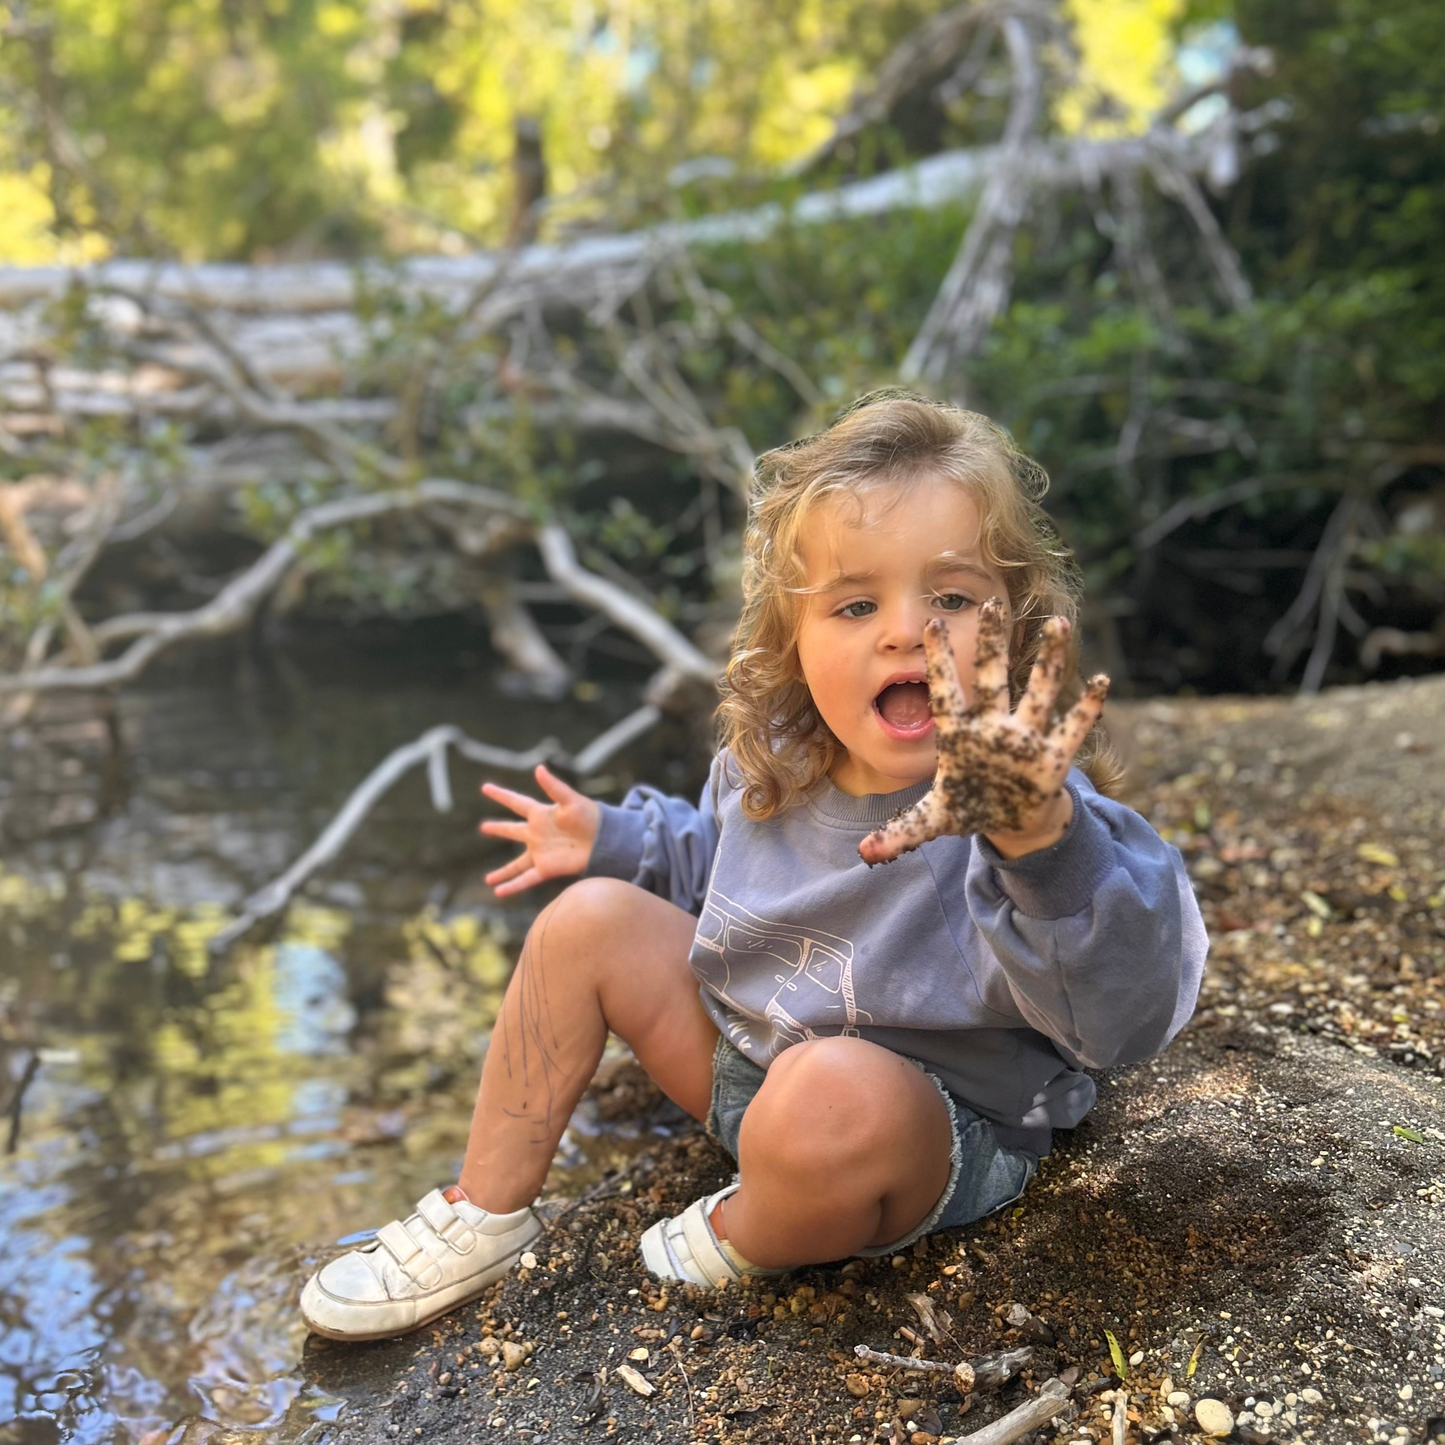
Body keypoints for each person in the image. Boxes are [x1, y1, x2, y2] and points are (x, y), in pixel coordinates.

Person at [299, 391, 1207, 1342]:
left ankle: (748, 1228)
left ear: (1016, 632)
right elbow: (718, 865)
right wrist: (612, 840)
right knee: (587, 922)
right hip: (751, 1071)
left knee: (832, 1095)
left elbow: (1122, 1021)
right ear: (794, 641)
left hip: (927, 1130)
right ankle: (484, 1209)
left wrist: (1039, 843)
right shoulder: (777, 763)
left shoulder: (1033, 818)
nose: (906, 631)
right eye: (856, 604)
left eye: (951, 597)